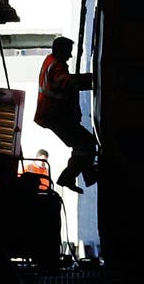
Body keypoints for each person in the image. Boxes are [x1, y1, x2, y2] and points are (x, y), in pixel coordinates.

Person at [34, 36, 97, 194]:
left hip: (53, 115)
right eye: (68, 52)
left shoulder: (50, 61)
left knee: (82, 143)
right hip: (55, 115)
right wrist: (94, 79)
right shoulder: (57, 66)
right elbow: (67, 82)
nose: (70, 56)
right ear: (61, 51)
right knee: (86, 143)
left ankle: (85, 175)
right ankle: (73, 176)